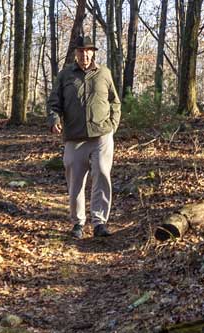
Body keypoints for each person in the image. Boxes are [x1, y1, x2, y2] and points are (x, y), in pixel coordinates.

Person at [46, 36, 121, 239]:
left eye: (88, 51)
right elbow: (53, 103)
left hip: (102, 135)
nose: (84, 55)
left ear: (93, 52)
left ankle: (99, 223)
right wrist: (54, 119)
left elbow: (115, 101)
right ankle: (78, 223)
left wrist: (112, 125)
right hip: (74, 137)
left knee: (102, 175)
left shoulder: (104, 73)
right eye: (80, 51)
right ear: (75, 53)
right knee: (75, 181)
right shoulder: (65, 75)